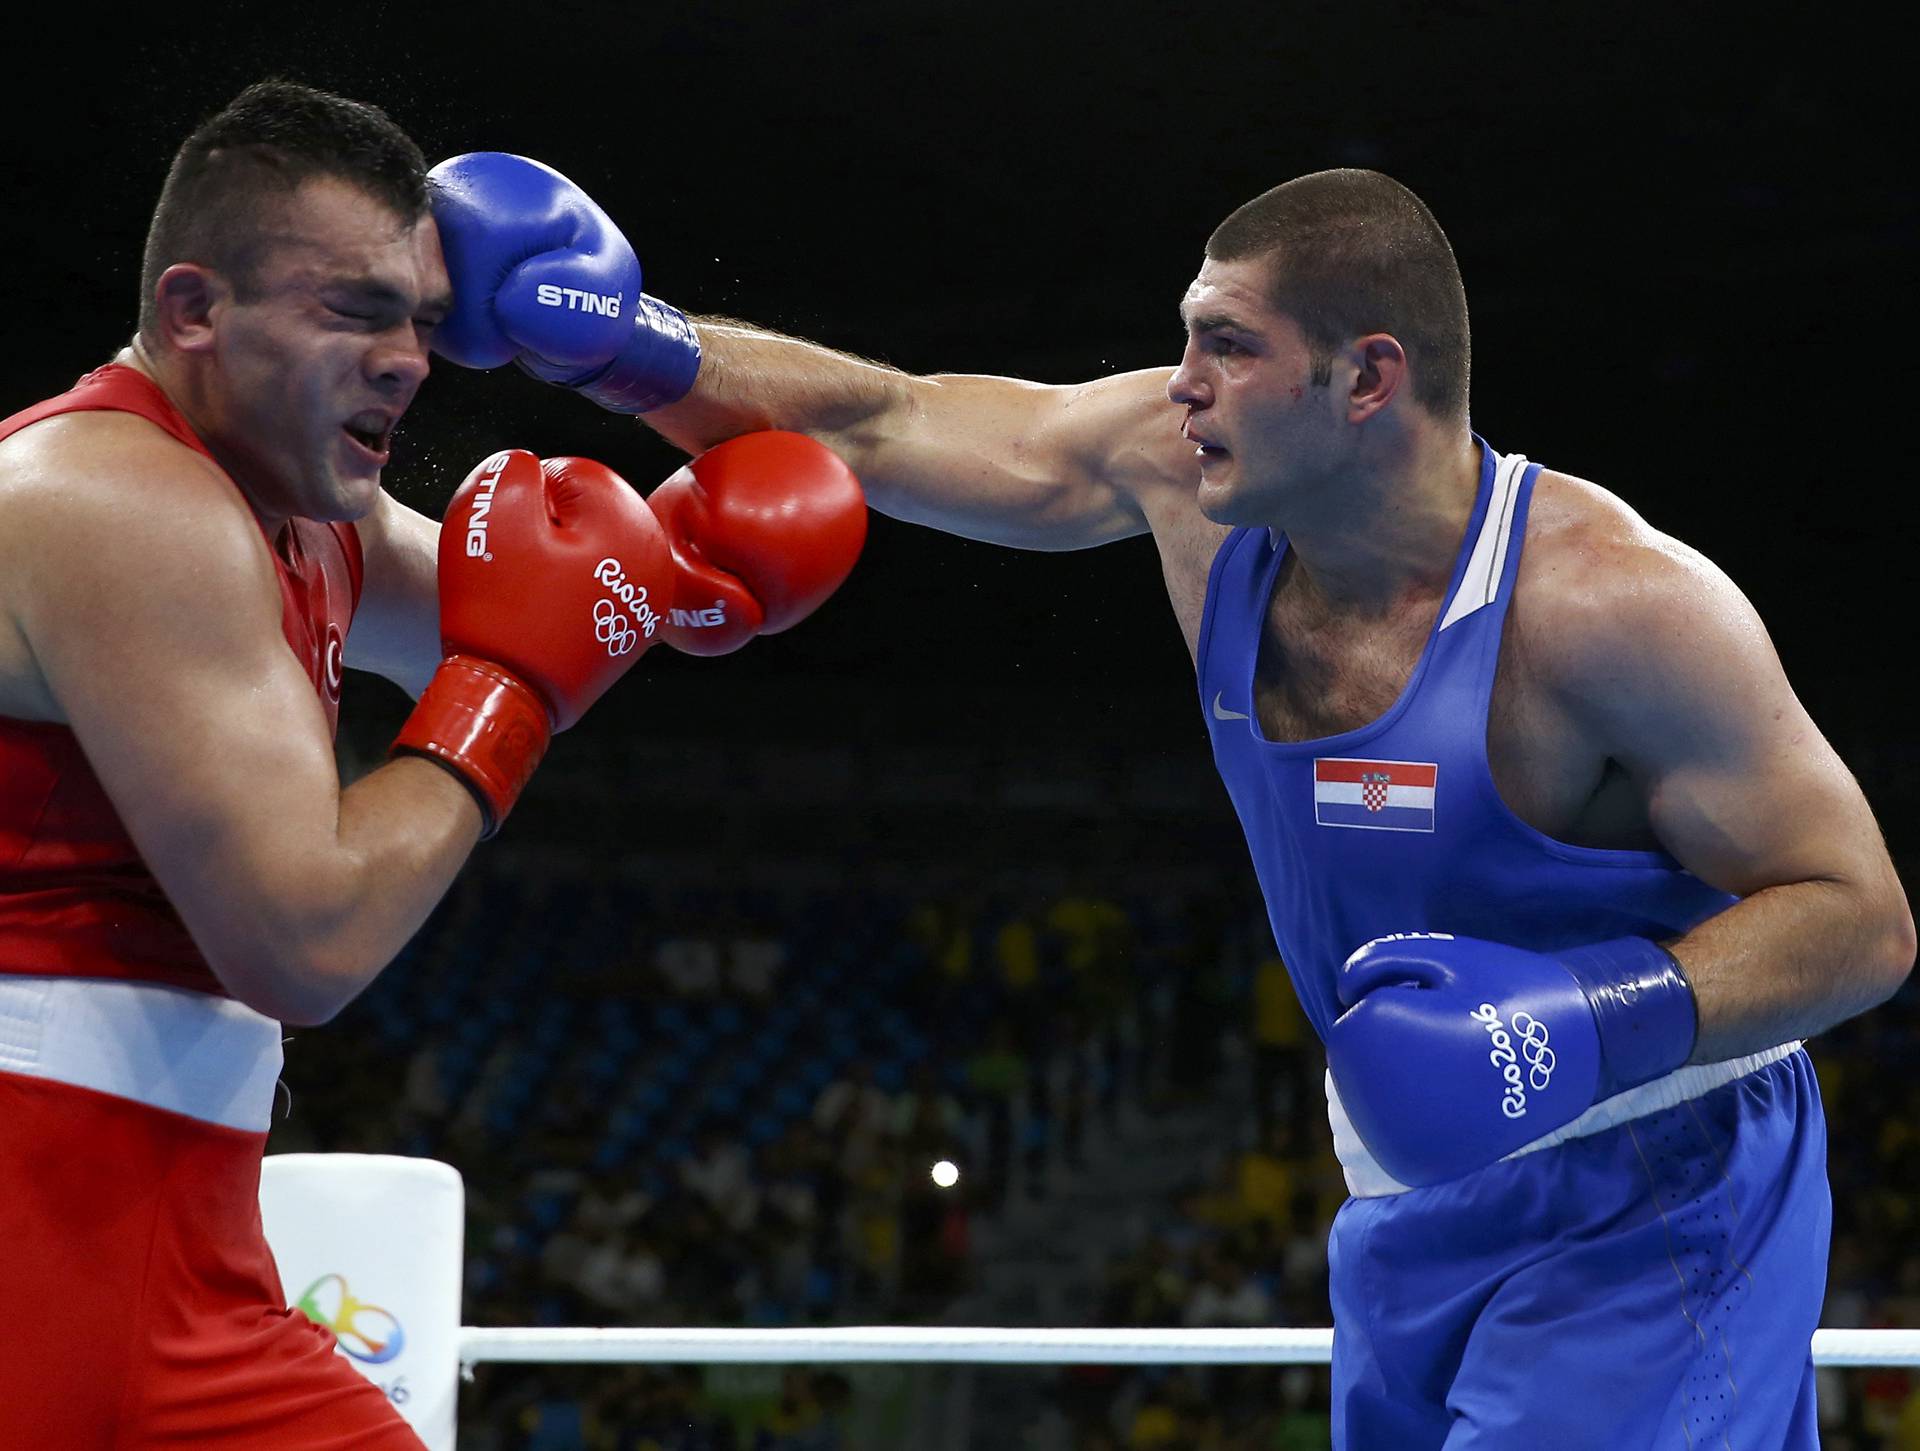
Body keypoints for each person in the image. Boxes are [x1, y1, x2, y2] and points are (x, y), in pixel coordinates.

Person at [447, 160, 1915, 1445]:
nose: (1183, 383)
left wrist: (1577, 1029)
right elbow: (889, 424)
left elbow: (1863, 917)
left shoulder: (1610, 608)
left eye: (1226, 344)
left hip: (1659, 1187)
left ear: (1368, 378)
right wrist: (633, 353)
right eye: (1184, 341)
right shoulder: (1185, 484)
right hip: (1406, 1189)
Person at [0, 85, 863, 1447]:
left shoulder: (296, 511)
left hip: (159, 1230)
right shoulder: (118, 501)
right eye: (352, 312)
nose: (406, 359)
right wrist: (506, 690)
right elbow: (307, 937)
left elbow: (574, 593)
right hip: (40, 1233)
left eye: (419, 316)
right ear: (193, 312)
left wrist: (674, 540)